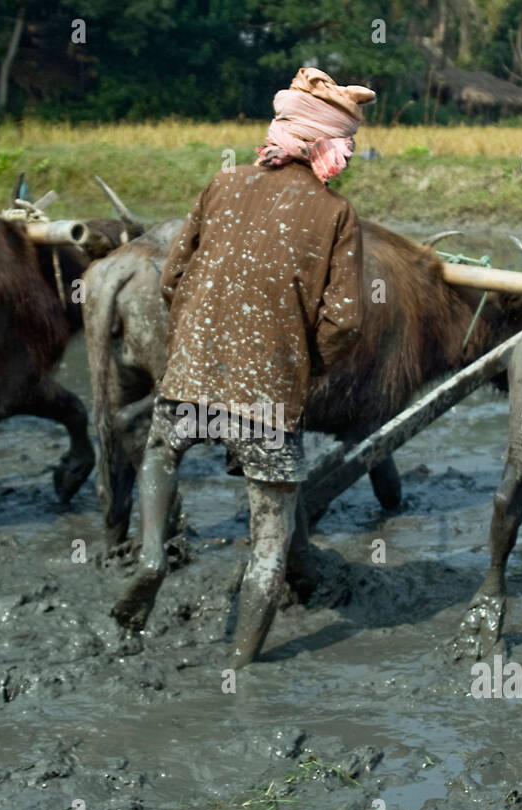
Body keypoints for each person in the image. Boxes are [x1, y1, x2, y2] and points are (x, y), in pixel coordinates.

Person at [111, 67, 375, 667]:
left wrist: (195, 347)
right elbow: (346, 323)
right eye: (348, 146)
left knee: (159, 453)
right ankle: (239, 666)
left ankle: (152, 558)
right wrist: (301, 370)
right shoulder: (337, 216)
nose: (351, 157)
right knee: (267, 543)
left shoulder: (222, 183)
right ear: (324, 146)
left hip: (190, 380)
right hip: (268, 402)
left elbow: (173, 278)